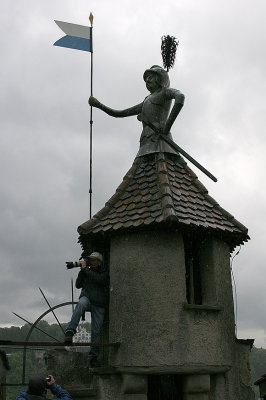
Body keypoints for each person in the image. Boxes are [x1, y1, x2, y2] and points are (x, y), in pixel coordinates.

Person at [89, 65, 185, 157]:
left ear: (160, 79)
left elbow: (180, 97)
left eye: (151, 77)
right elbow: (119, 113)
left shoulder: (165, 92)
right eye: (146, 78)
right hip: (145, 143)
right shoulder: (146, 100)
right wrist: (99, 105)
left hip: (162, 144)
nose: (147, 80)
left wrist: (166, 128)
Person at [64, 252, 109, 368]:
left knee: (96, 331)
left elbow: (100, 280)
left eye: (93, 260)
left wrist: (85, 270)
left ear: (99, 262)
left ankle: (93, 357)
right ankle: (70, 332)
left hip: (99, 303)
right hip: (87, 297)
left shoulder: (103, 272)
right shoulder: (86, 271)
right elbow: (78, 285)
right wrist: (82, 271)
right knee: (81, 304)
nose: (91, 262)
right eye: (90, 260)